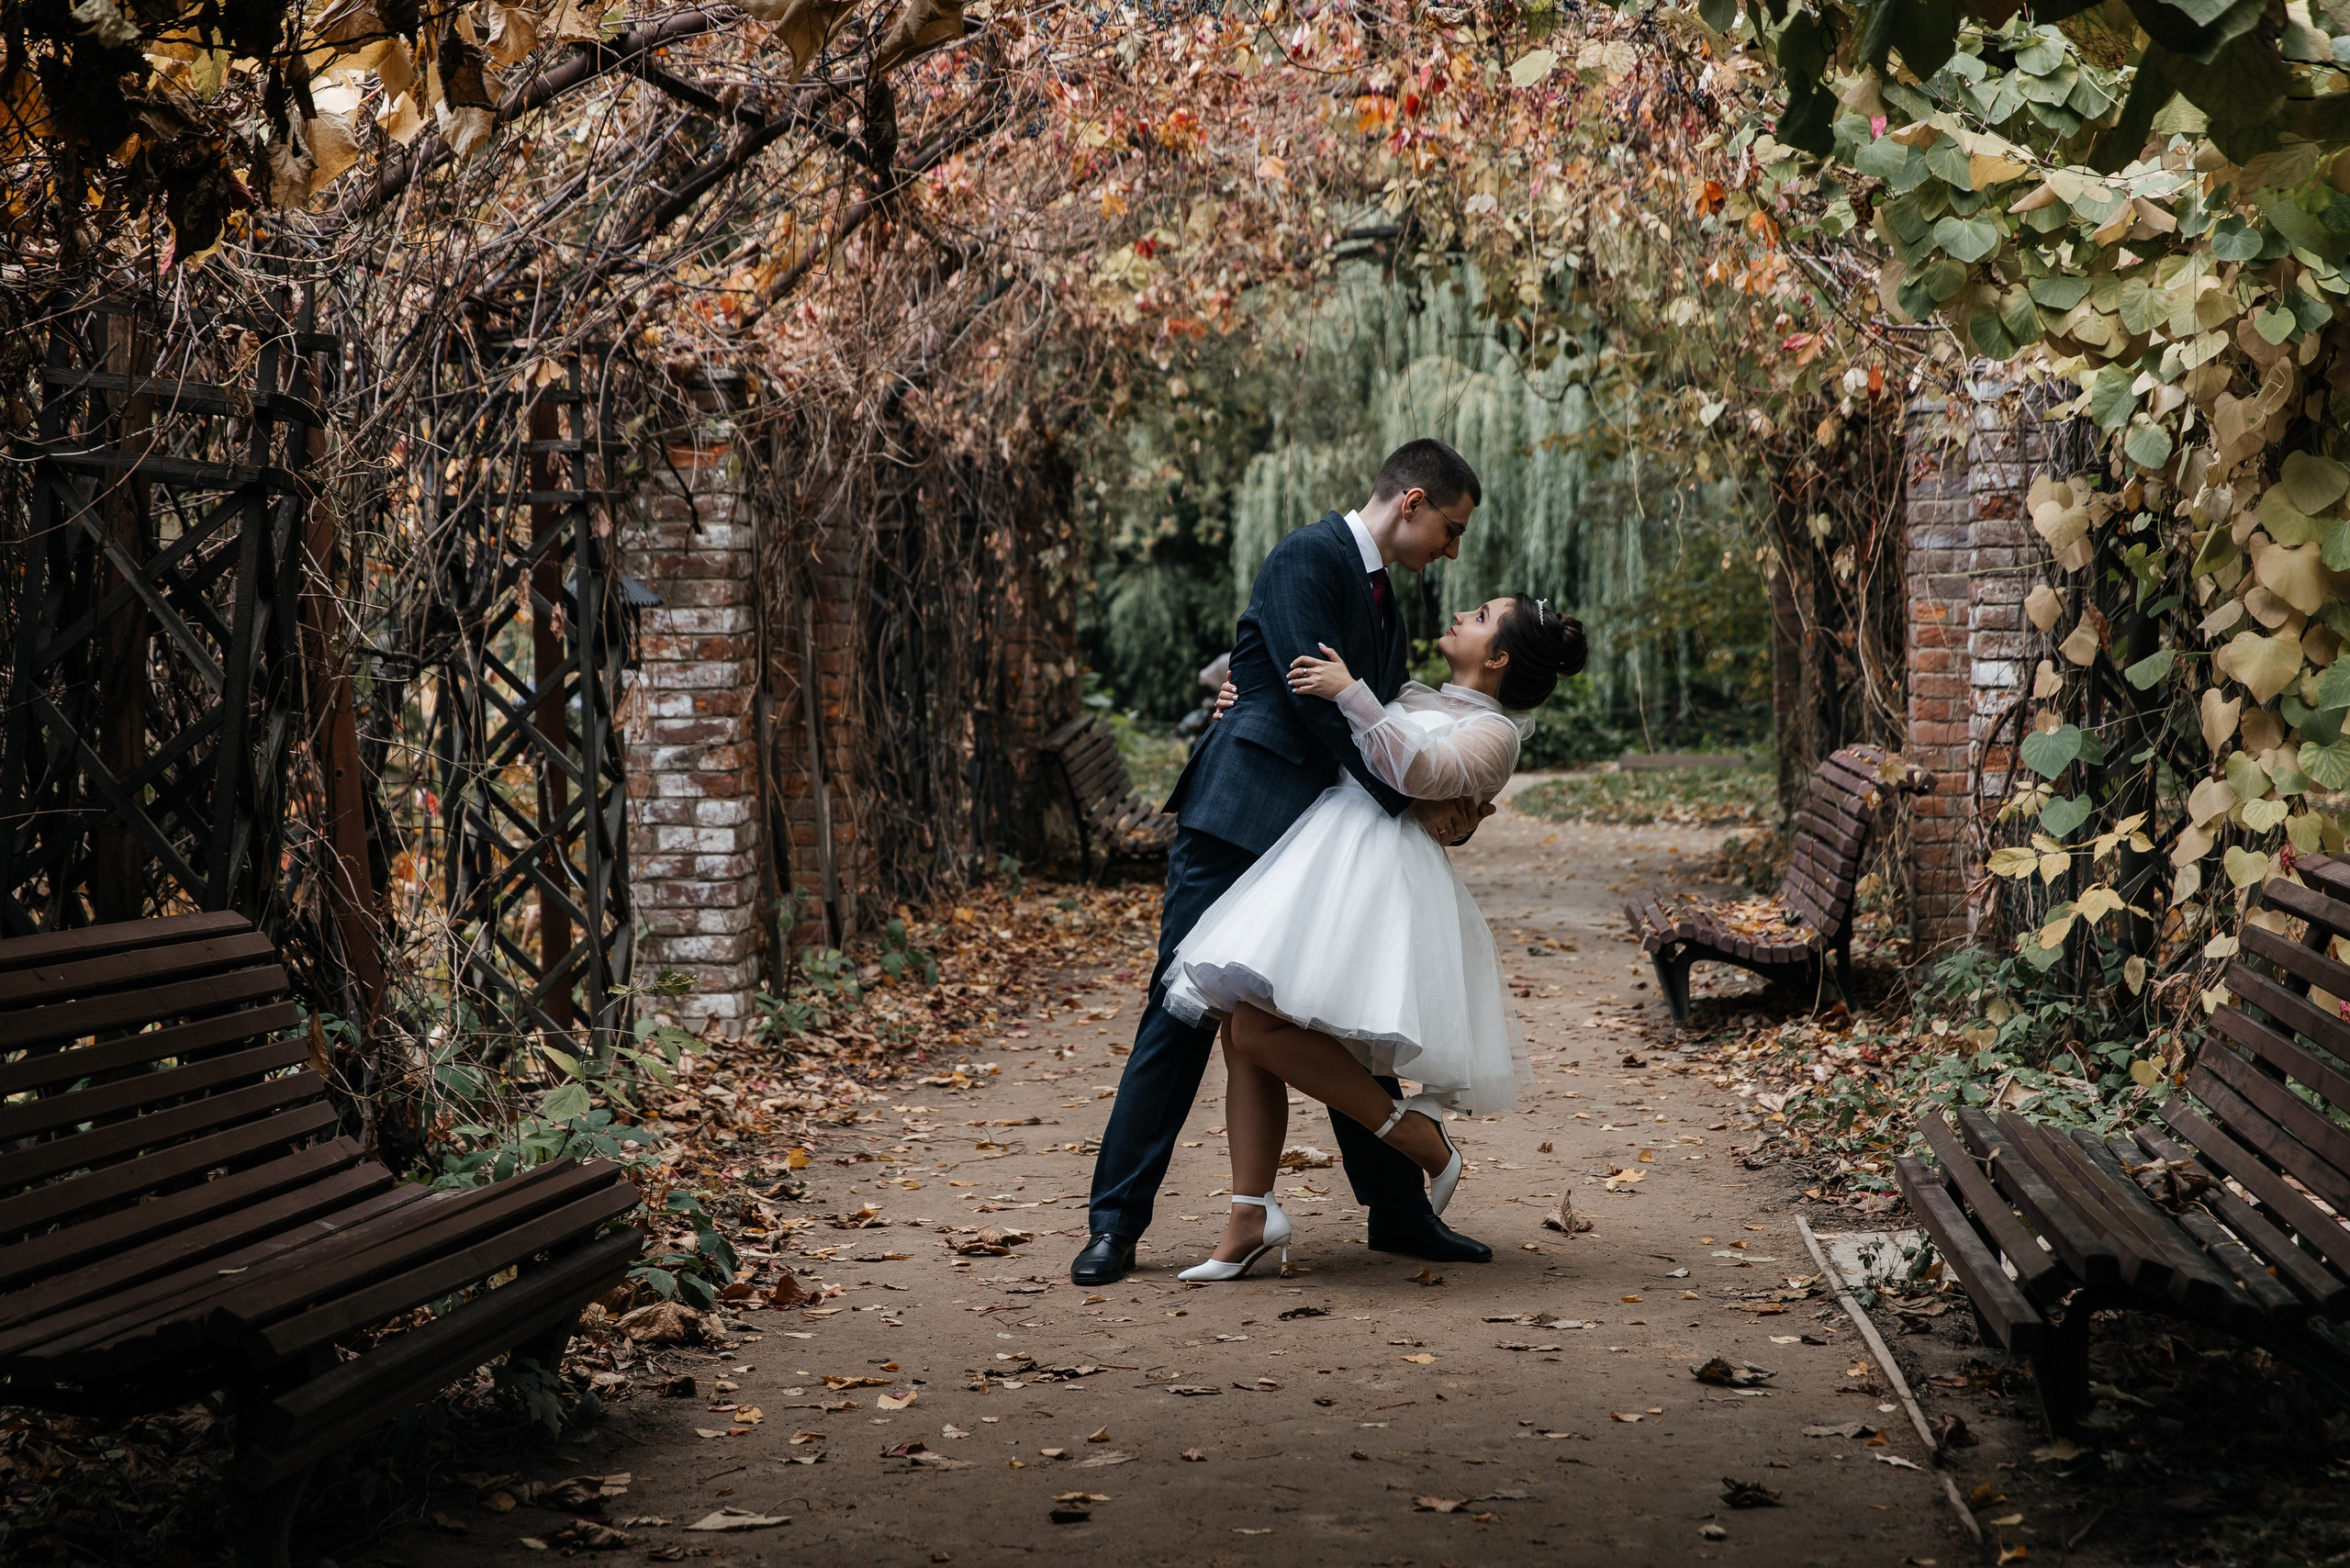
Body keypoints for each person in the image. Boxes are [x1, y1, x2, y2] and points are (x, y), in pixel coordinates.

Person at [1070, 439, 1491, 1287]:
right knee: (1180, 1014)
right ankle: (1114, 1224)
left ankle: (1399, 1215)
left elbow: (1379, 718)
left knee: (1338, 1022)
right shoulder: (1310, 554)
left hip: (1317, 837)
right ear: (1410, 502)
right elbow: (1315, 702)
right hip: (1240, 819)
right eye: (1449, 529)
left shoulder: (1390, 607)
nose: (1451, 551)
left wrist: (1453, 783)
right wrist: (1407, 803)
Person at [1165, 594, 1587, 1280]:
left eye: (1479, 616)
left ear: (1499, 656)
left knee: (1257, 1032)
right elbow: (1333, 739)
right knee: (1241, 1027)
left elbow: (1414, 773)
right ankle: (1250, 1213)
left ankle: (1420, 1141)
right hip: (1324, 857)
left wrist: (1356, 696)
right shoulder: (1412, 692)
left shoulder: (1497, 734)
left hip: (1378, 877)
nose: (1460, 614)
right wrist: (1239, 701)